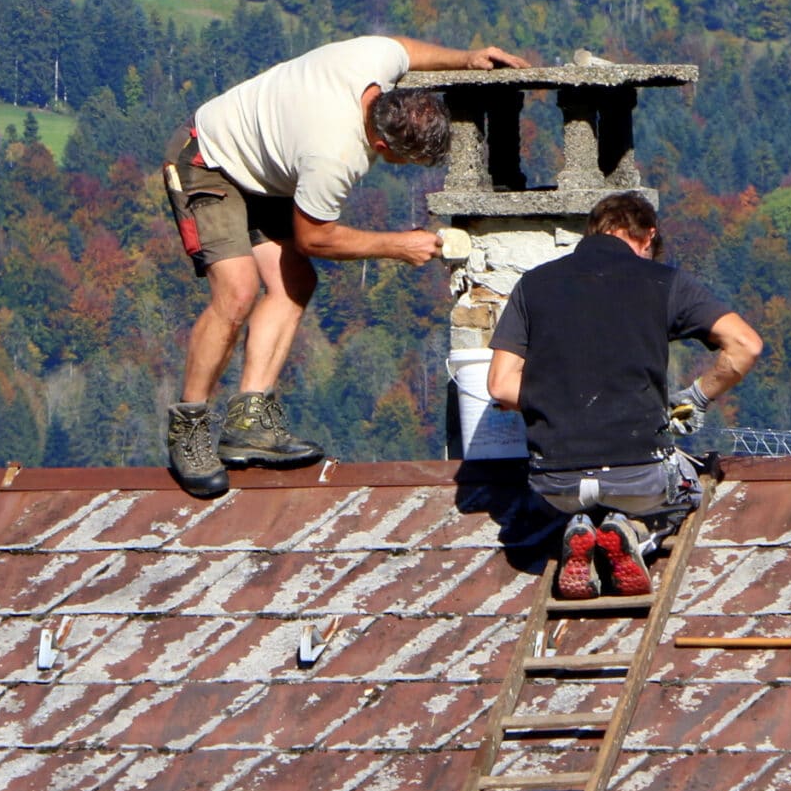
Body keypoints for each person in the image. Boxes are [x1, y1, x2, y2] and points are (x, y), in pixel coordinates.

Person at [162, 35, 530, 498]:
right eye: (404, 158)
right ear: (379, 140)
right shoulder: (335, 154)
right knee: (236, 291)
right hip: (208, 158)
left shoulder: (374, 62)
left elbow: (402, 47)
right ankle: (189, 429)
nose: (405, 166)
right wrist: (398, 246)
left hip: (267, 168)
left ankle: (250, 422)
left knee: (293, 281)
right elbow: (315, 237)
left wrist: (467, 57)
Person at [486, 192, 763, 599]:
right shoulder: (664, 282)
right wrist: (698, 397)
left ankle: (580, 526)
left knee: (583, 494)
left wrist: (558, 396)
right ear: (647, 237)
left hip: (555, 483)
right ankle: (635, 531)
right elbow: (746, 345)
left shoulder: (533, 285)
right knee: (689, 487)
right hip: (641, 473)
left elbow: (499, 385)